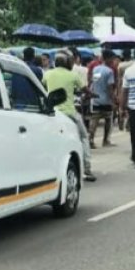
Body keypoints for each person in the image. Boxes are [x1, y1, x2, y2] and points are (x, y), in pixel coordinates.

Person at [43, 51, 96, 182]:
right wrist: (91, 94)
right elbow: (85, 90)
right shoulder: (72, 75)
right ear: (67, 63)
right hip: (70, 113)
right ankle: (87, 168)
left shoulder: (48, 74)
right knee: (84, 137)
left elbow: (43, 86)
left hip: (53, 113)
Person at [88, 50, 117, 149]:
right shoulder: (109, 71)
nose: (113, 61)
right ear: (108, 59)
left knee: (94, 120)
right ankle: (105, 140)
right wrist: (113, 100)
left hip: (96, 98)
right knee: (108, 120)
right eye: (112, 59)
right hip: (106, 100)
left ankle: (91, 140)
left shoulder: (95, 69)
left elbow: (94, 82)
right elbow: (110, 87)